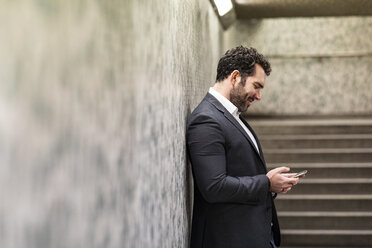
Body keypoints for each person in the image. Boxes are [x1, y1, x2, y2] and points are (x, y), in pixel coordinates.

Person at [186, 46, 301, 248]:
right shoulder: (206, 119)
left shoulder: (231, 116)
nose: (258, 96)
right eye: (256, 86)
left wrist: (271, 184)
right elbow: (214, 187)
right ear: (235, 77)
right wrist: (266, 183)